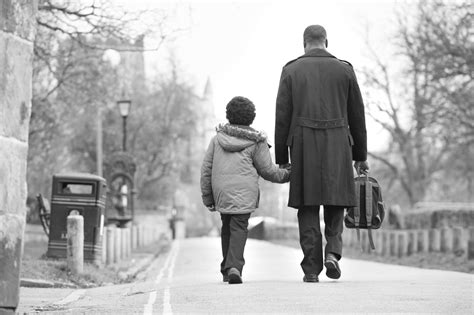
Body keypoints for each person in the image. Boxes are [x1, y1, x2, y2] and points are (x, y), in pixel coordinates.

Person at [274, 25, 369, 282]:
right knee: (336, 201)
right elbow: (357, 116)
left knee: (307, 206)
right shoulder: (344, 69)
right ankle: (333, 254)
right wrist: (360, 155)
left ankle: (311, 268)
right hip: (339, 143)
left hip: (303, 144)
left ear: (304, 43)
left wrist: (282, 158)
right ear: (326, 41)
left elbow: (282, 117)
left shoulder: (291, 70)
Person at [201, 96, 290, 284]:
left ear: (228, 116)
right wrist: (289, 173)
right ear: (252, 117)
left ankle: (227, 267)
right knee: (239, 227)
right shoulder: (257, 142)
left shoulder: (217, 139)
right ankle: (235, 266)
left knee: (227, 225)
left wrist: (207, 196)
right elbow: (268, 171)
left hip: (221, 192)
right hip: (244, 193)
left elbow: (206, 170)